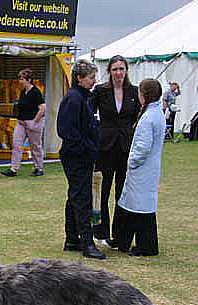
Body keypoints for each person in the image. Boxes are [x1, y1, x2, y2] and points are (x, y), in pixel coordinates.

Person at [56, 59, 106, 260]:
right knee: (82, 197)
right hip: (76, 157)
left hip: (80, 155)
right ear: (80, 78)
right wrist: (87, 147)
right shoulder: (74, 99)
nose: (94, 81)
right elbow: (65, 130)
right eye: (91, 77)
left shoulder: (82, 97)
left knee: (75, 196)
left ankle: (72, 238)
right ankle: (87, 242)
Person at [91, 55, 141, 249]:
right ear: (109, 72)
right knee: (102, 192)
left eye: (121, 69)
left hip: (125, 148)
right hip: (104, 148)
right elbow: (89, 113)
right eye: (114, 69)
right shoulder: (100, 91)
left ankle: (121, 235)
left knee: (122, 193)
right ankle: (100, 232)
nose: (118, 73)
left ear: (126, 70)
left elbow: (139, 116)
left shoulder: (134, 91)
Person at [117, 79, 166, 256]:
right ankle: (128, 241)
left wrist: (131, 162)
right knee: (140, 207)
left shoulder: (147, 118)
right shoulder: (157, 113)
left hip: (142, 169)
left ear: (144, 95)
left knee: (139, 208)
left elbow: (142, 147)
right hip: (149, 168)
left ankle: (145, 246)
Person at [1, 68, 46, 177]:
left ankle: (38, 168)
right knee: (17, 145)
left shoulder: (36, 92)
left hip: (33, 123)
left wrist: (34, 122)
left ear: (29, 80)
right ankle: (13, 169)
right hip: (21, 123)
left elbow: (43, 108)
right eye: (19, 79)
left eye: (22, 79)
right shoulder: (22, 92)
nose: (20, 81)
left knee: (35, 146)